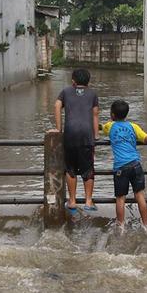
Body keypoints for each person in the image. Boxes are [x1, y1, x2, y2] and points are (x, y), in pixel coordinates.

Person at [99, 100, 147, 228]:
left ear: (112, 114)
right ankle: (146, 224)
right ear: (126, 114)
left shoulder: (110, 126)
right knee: (140, 195)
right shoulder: (133, 126)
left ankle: (120, 226)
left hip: (120, 167)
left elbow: (101, 128)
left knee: (120, 198)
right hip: (136, 165)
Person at [54, 68, 99, 214]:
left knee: (70, 168)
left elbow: (57, 106)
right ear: (88, 81)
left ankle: (72, 202)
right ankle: (88, 201)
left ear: (73, 80)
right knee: (88, 169)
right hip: (86, 136)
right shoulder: (92, 94)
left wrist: (59, 129)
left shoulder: (66, 91)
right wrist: (96, 135)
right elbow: (95, 115)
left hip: (70, 135)